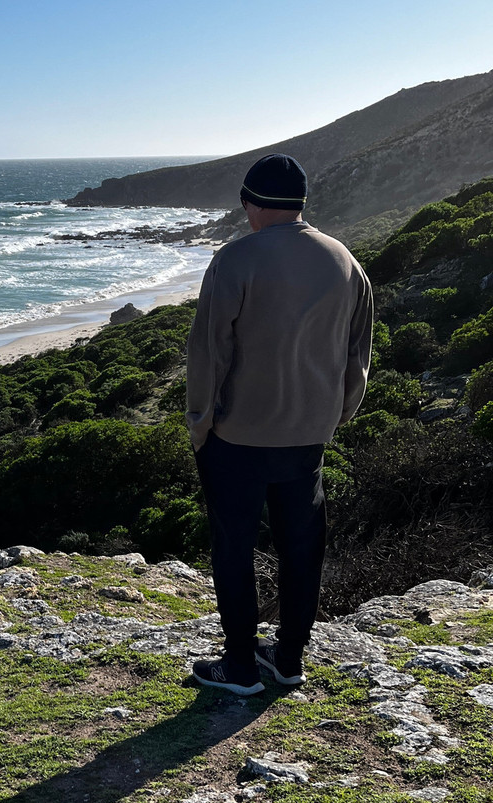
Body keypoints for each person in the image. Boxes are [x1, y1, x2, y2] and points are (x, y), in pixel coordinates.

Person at [185, 153, 373, 695]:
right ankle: (288, 658)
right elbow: (357, 355)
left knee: (233, 548)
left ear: (251, 202)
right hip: (308, 436)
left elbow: (209, 354)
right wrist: (335, 416)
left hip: (237, 436)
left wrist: (201, 423)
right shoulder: (345, 260)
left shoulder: (235, 259)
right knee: (302, 548)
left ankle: (240, 665)